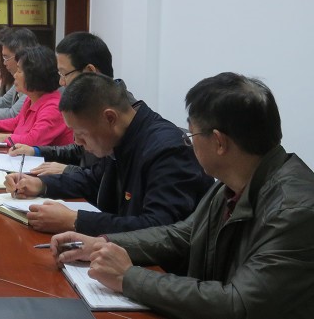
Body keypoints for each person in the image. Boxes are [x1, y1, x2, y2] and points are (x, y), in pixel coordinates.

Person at [51, 73, 314, 319]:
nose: (188, 142)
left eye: (192, 135)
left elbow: (238, 303)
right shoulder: (233, 183)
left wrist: (128, 278)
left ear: (219, 142)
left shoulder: (294, 211)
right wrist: (101, 243)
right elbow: (182, 235)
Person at [5, 73, 213, 236]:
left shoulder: (167, 151)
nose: (77, 142)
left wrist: (75, 221)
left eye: (81, 134)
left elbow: (158, 228)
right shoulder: (121, 137)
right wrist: (42, 185)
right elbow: (95, 180)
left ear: (110, 118)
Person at [10, 31, 116, 174]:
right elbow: (79, 150)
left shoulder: (114, 115)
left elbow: (99, 179)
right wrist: (36, 151)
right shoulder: (94, 104)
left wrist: (68, 170)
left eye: (64, 74)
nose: (61, 82)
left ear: (90, 71)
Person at [0, 45, 72, 148]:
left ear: (34, 75)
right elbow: (18, 121)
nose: (15, 75)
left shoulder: (53, 107)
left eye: (19, 71)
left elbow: (33, 140)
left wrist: (4, 138)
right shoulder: (31, 98)